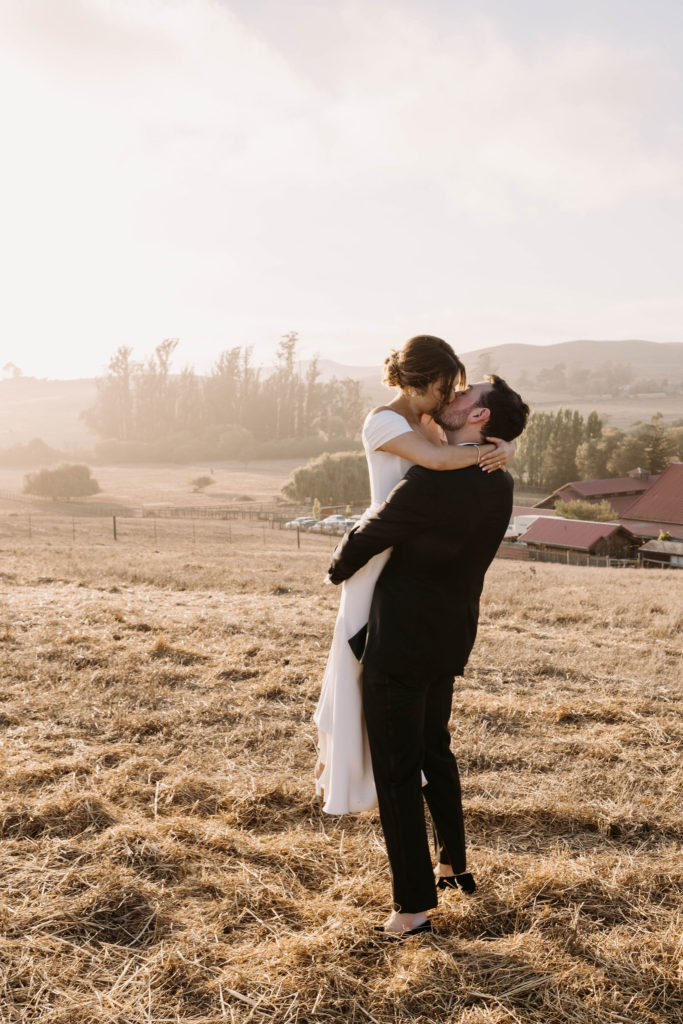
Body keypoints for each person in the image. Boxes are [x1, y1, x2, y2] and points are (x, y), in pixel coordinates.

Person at [327, 375, 530, 936]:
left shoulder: (433, 479)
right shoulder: (501, 480)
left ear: (480, 418)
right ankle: (452, 861)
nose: (452, 399)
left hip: (401, 640)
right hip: (451, 635)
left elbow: (373, 532)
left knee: (396, 771)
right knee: (434, 747)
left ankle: (412, 907)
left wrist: (337, 566)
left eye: (466, 396)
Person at [314, 337, 515, 814]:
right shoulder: (383, 421)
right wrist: (496, 449)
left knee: (394, 687)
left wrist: (497, 444)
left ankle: (396, 775)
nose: (447, 398)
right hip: (377, 556)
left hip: (407, 562)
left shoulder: (428, 422)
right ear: (415, 382)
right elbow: (444, 463)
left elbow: (451, 466)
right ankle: (353, 776)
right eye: (442, 388)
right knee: (360, 669)